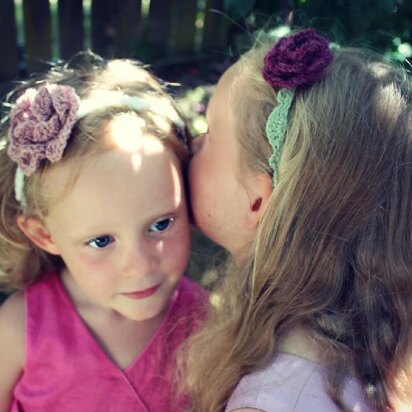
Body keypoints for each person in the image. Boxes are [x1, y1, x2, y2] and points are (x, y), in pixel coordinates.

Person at [184, 28, 412, 411]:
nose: (192, 145)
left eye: (210, 134)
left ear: (258, 202)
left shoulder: (269, 402)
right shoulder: (375, 350)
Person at [0, 52, 208, 412]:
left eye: (161, 224)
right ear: (44, 235)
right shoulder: (20, 329)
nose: (141, 265)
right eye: (101, 241)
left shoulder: (205, 324)